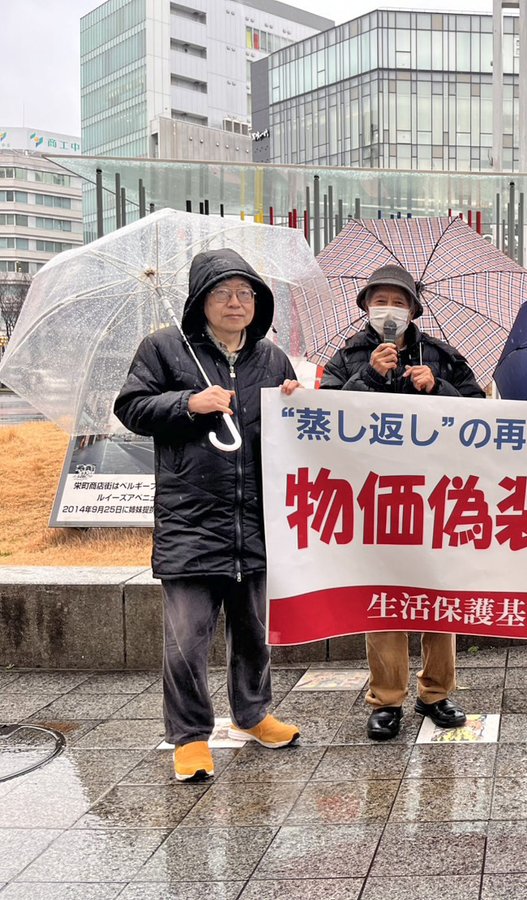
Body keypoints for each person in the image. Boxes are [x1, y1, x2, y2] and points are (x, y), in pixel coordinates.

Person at [114, 249, 302, 783]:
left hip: (259, 518)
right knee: (187, 639)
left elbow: (289, 434)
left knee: (255, 630)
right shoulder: (164, 348)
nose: (236, 302)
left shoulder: (272, 359)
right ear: (202, 301)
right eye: (223, 292)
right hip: (191, 519)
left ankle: (252, 713)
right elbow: (130, 407)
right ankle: (191, 737)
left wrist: (296, 401)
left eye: (245, 293)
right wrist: (188, 404)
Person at [320, 263, 483, 740]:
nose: (387, 310)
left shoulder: (442, 354)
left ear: (413, 308)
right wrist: (367, 377)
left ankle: (437, 692)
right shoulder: (348, 355)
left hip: (435, 492)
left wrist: (440, 388)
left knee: (437, 592)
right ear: (366, 307)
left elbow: (482, 413)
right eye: (379, 301)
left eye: (397, 301)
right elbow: (324, 414)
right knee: (385, 597)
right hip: (374, 495)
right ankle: (386, 698)